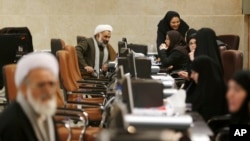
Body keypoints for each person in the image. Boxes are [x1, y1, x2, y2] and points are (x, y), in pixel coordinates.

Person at [0, 52, 60, 141]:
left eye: (51, 84)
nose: (48, 91)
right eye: (41, 85)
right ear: (24, 88)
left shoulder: (44, 109)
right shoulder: (12, 123)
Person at [188, 55, 227, 121]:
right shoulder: (203, 85)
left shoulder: (214, 89)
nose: (191, 76)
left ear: (203, 72)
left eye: (194, 73)